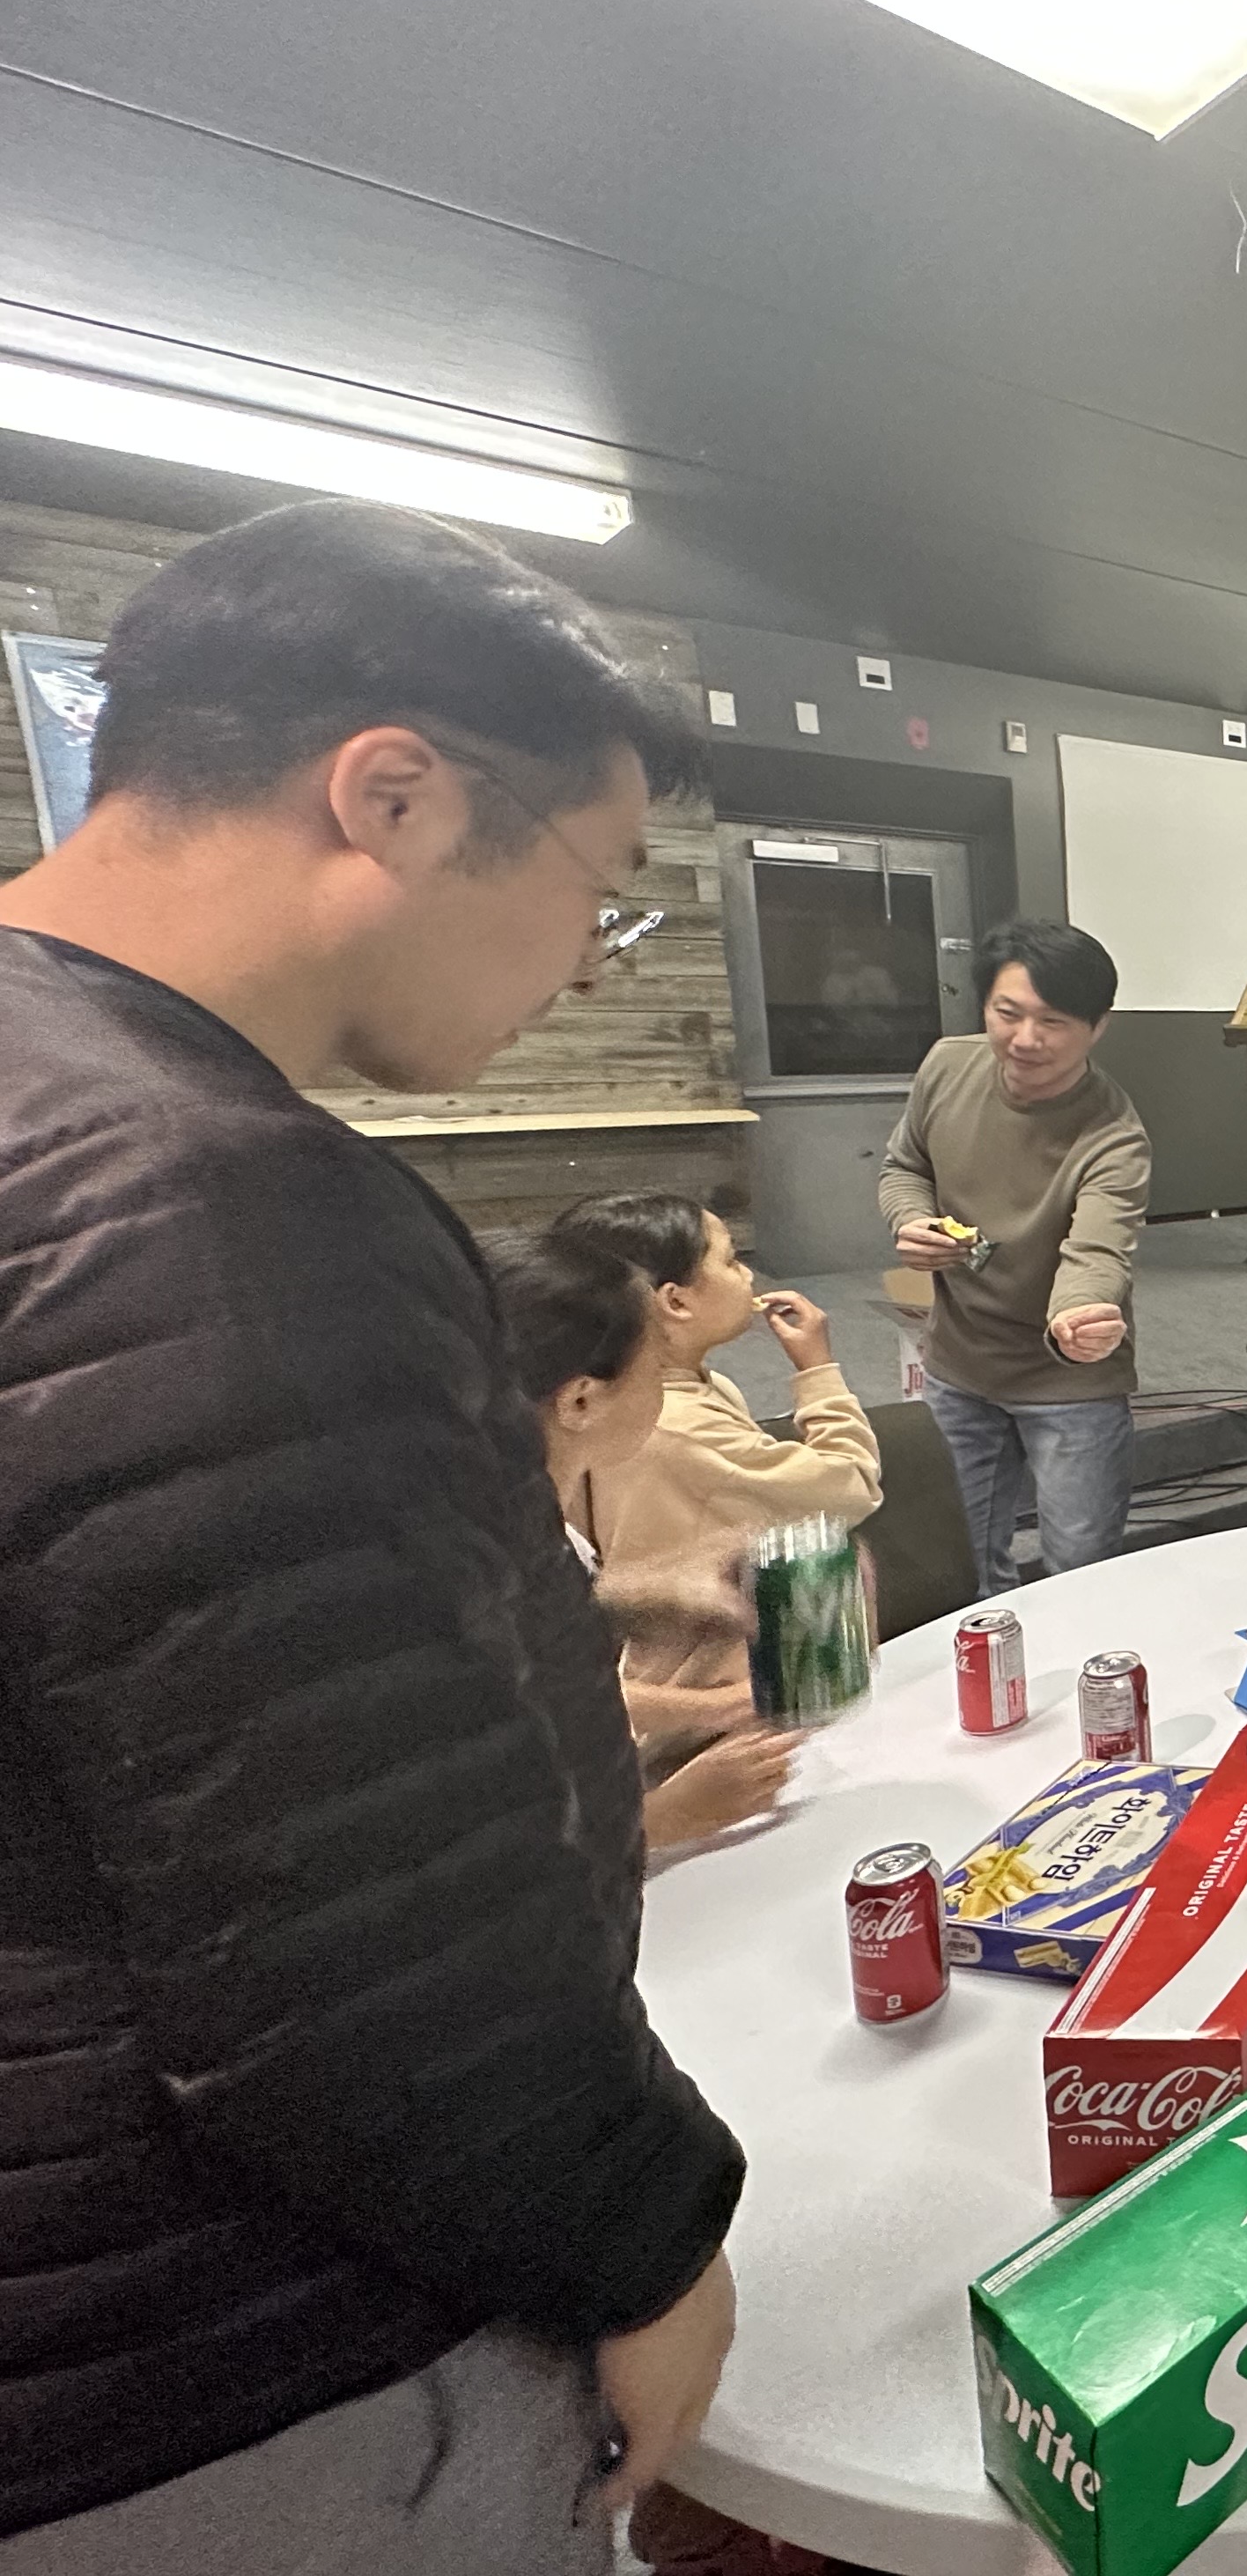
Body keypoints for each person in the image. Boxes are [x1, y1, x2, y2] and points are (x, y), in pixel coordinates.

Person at [0, 498, 741, 2566]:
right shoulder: (207, 1198)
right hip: (229, 2362)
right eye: (597, 895)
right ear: (392, 796)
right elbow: (354, 1927)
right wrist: (647, 2245)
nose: (582, 966)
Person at [486, 1229, 801, 1853]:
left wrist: (629, 1597)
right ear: (581, 1400)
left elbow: (542, 1655)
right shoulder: (458, 1578)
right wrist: (667, 1815)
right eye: (655, 1369)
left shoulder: (511, 1520)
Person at [878, 917, 1151, 1586]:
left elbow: (1098, 1250)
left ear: (1098, 1027)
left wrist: (1079, 1315)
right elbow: (905, 1165)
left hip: (1069, 1384)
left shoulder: (1114, 1136)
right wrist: (912, 1219)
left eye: (1053, 1021)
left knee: (1080, 1574)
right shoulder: (948, 1064)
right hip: (958, 1364)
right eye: (1008, 1013)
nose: (1026, 1039)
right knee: (961, 1565)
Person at [557, 1192, 882, 1641]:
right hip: (708, 1661)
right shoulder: (681, 1426)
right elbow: (849, 1487)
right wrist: (818, 1370)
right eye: (731, 1261)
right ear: (676, 1302)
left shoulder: (621, 1398)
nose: (747, 1274)